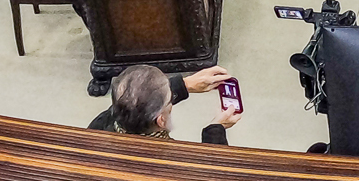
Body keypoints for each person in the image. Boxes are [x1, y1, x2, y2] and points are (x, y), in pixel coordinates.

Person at [89, 62, 244, 144]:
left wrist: (185, 85)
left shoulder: (97, 128)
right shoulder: (176, 159)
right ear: (161, 120)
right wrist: (215, 129)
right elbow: (216, 177)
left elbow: (133, 101)